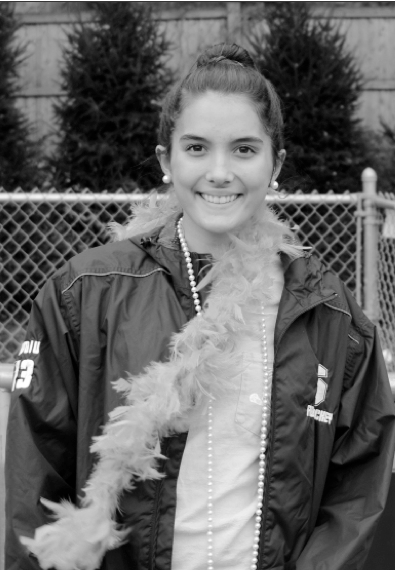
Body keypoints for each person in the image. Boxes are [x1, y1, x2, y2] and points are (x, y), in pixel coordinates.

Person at [5, 43, 395, 570]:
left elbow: (357, 489)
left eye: (243, 149)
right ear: (167, 159)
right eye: (196, 148)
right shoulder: (86, 291)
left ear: (275, 162)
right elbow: (37, 481)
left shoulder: (329, 311)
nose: (219, 171)